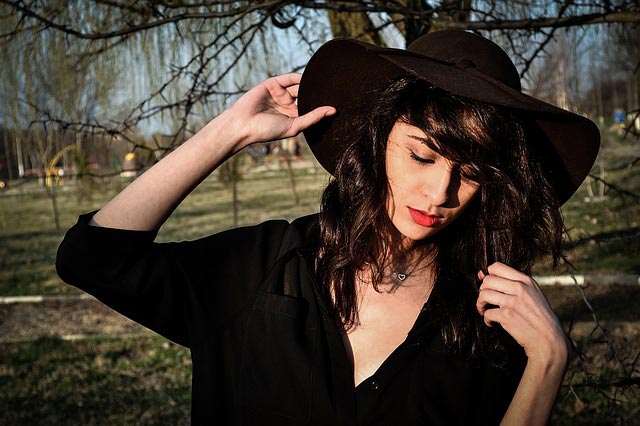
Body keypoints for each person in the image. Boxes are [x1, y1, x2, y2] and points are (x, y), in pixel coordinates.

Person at [56, 30, 600, 425]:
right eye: (422, 156)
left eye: (472, 173)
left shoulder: (485, 316)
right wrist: (229, 132)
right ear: (378, 140)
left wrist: (548, 362)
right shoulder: (266, 267)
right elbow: (93, 258)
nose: (440, 194)